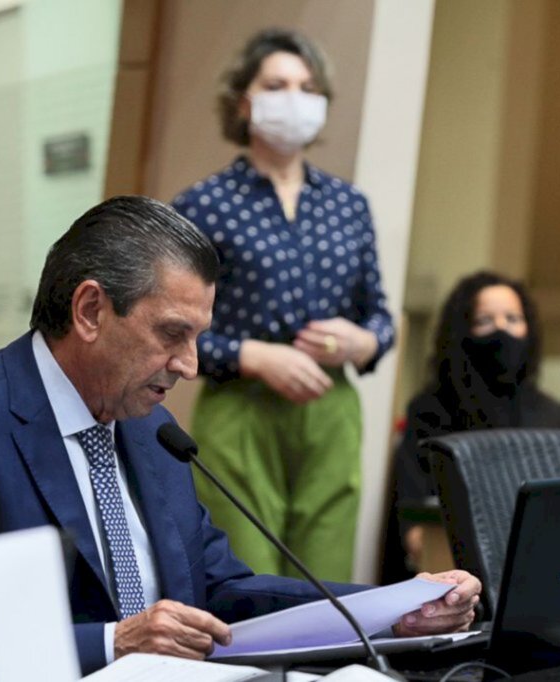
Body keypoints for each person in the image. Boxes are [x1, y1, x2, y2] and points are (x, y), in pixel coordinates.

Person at [0, 196, 480, 679]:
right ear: (91, 310)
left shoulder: (151, 428)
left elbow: (221, 591)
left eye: (199, 338)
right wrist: (113, 642)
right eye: (172, 334)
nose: (189, 364)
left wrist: (393, 606)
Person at [171, 29, 395, 582]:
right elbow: (173, 326)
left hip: (331, 408)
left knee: (327, 584)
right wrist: (253, 356)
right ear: (244, 101)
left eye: (306, 86)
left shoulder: (349, 204)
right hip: (241, 407)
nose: (294, 96)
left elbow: (381, 316)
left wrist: (361, 341)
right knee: (247, 582)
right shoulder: (203, 205)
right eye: (277, 84)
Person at [391, 271, 560, 571]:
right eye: (485, 321)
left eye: (513, 319)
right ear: (462, 331)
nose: (502, 331)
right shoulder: (430, 410)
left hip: (533, 566)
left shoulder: (549, 413)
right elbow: (414, 521)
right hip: (448, 569)